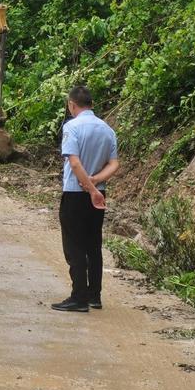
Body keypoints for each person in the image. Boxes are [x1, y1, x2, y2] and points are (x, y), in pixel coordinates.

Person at [51, 85, 119, 312]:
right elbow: (114, 163)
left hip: (76, 194)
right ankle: (94, 295)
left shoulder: (72, 127)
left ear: (72, 104)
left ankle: (78, 297)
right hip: (99, 195)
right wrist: (97, 183)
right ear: (91, 104)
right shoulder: (107, 129)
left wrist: (89, 188)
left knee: (74, 245)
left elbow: (75, 162)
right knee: (93, 244)